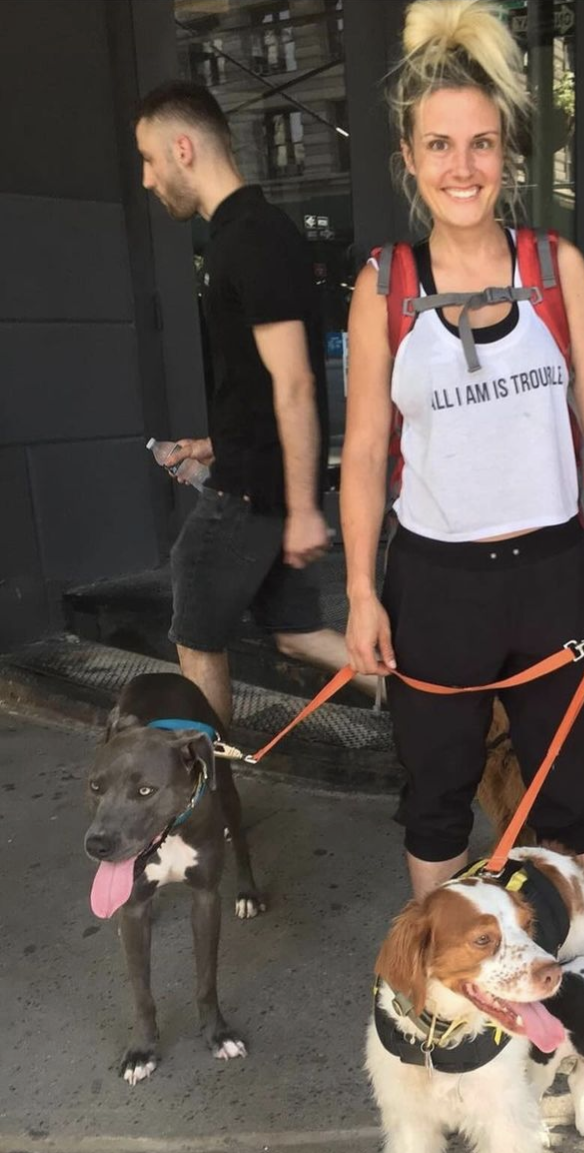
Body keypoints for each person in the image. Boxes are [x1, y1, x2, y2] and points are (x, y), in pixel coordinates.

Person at [340, 0, 584, 900]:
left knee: (567, 804)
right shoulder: (383, 286)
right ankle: (448, 1007)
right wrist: (360, 591)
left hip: (555, 575)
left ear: (506, 152)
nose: (460, 166)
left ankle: (578, 987)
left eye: (479, 143)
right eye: (438, 145)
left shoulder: (556, 268)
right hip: (435, 586)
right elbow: (361, 454)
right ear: (408, 159)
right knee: (435, 799)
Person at [133, 81, 377, 726]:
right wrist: (212, 444)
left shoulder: (249, 240)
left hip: (249, 497)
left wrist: (301, 511)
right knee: (295, 632)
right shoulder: (255, 234)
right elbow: (263, 384)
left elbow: (296, 383)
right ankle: (429, 707)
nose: (147, 179)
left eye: (150, 159)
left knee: (195, 638)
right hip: (260, 482)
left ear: (182, 148)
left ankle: (211, 811)